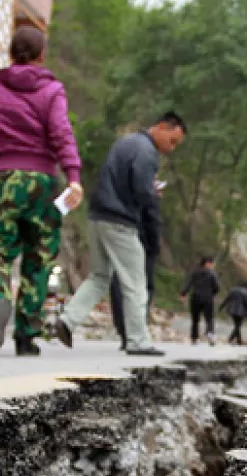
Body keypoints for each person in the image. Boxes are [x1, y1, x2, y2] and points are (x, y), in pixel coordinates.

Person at [0, 25, 83, 356]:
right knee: (39, 254)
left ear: (10, 53)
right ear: (42, 55)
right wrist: (72, 174)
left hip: (3, 177)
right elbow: (61, 133)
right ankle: (26, 334)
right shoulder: (52, 90)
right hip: (43, 182)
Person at [54, 112, 188, 356]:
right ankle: (138, 341)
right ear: (162, 127)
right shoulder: (147, 152)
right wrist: (150, 196)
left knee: (99, 276)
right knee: (135, 281)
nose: (171, 148)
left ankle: (67, 320)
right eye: (173, 141)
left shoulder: (125, 143)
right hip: (120, 221)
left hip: (97, 217)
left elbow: (119, 179)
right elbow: (140, 189)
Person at [109, 179, 162, 351]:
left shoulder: (117, 195)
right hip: (142, 247)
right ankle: (136, 333)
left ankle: (124, 332)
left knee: (119, 287)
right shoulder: (147, 199)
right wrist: (154, 247)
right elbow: (153, 223)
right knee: (141, 289)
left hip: (118, 243)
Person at [180, 256, 221, 345]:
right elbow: (217, 287)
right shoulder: (212, 274)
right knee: (209, 318)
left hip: (195, 298)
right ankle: (210, 333)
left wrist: (183, 294)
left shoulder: (194, 272)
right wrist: (212, 293)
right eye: (212, 263)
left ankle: (194, 338)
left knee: (195, 319)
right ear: (207, 263)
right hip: (208, 299)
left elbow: (188, 283)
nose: (213, 265)